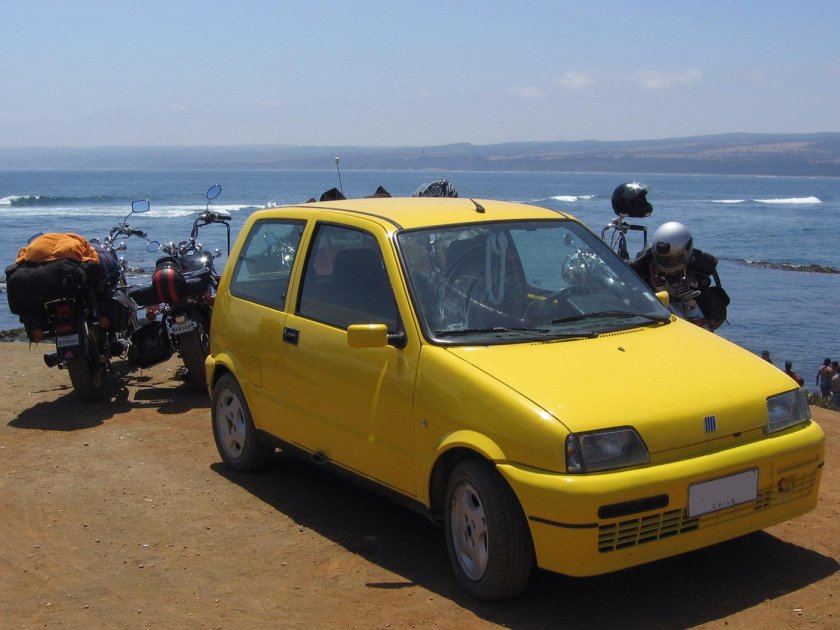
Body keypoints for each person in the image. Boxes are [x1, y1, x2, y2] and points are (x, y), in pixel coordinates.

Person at [629, 222, 729, 331]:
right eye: (663, 259)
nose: (667, 264)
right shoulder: (640, 268)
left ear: (687, 251)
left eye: (672, 260)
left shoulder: (701, 266)